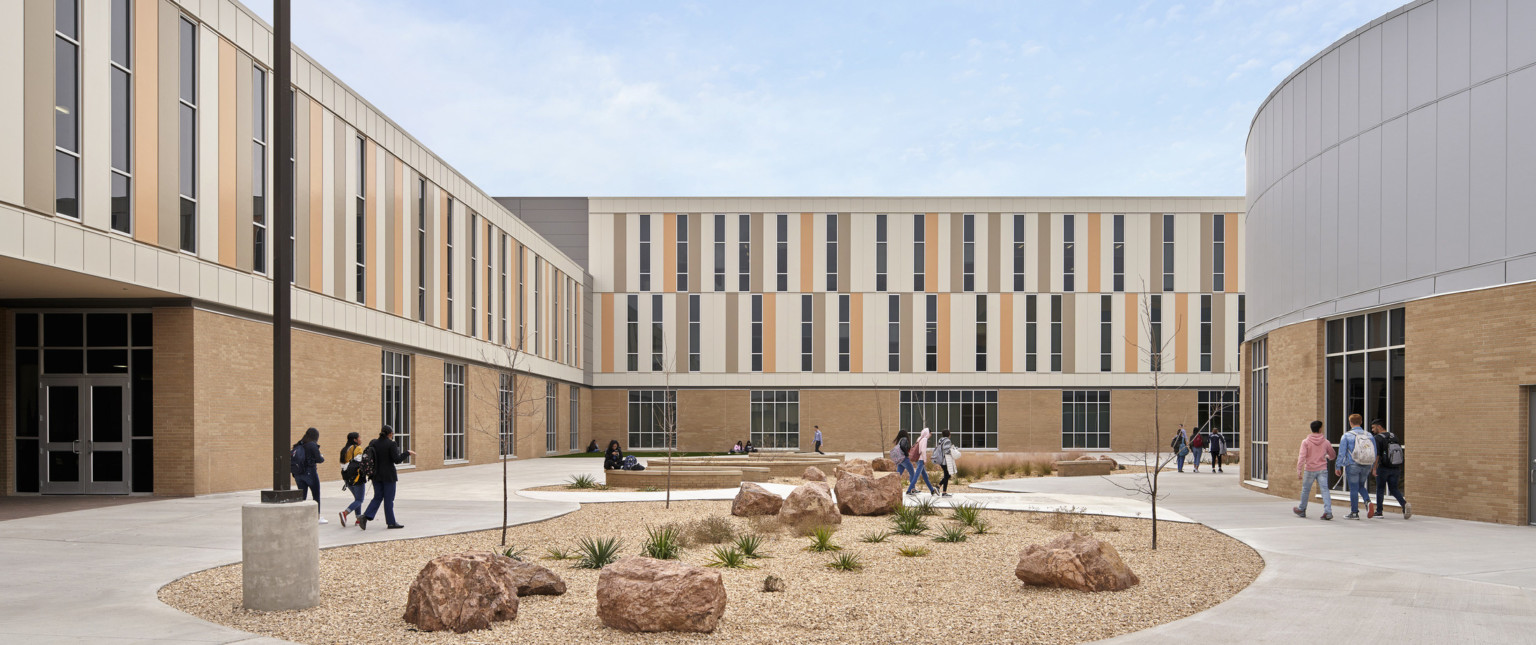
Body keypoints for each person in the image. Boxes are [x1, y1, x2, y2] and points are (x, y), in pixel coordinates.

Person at [358, 426, 414, 530]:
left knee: (378, 497)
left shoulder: (374, 443)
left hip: (375, 475)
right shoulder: (391, 444)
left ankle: (365, 516)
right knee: (389, 499)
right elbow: (396, 460)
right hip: (388, 476)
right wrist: (407, 453)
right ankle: (391, 523)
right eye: (392, 434)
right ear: (390, 434)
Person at [1336, 414, 1377, 520]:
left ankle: (1354, 513)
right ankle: (1367, 501)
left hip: (1353, 465)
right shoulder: (1369, 435)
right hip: (1366, 464)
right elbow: (1374, 451)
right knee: (1360, 486)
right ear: (1361, 422)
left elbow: (1342, 453)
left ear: (1350, 422)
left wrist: (1338, 466)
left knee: (1354, 488)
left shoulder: (1347, 435)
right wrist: (1372, 465)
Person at [1293, 420, 1336, 520]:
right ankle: (1328, 512)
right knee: (1325, 490)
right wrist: (1327, 456)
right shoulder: (1326, 442)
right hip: (1322, 469)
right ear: (1320, 429)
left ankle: (1302, 509)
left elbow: (1302, 456)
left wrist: (1299, 470)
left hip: (1309, 469)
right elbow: (1333, 455)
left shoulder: (1306, 442)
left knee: (1305, 490)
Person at [1370, 419, 1411, 519]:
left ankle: (1379, 512)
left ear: (1379, 427)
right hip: (1395, 467)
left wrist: (1374, 468)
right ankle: (1404, 504)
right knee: (1394, 489)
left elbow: (1377, 455)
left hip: (1383, 468)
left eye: (1373, 427)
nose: (1372, 430)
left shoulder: (1377, 438)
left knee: (1380, 489)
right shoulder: (1394, 436)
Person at [291, 427, 327, 524]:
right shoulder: (312, 445)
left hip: (298, 474)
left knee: (302, 496)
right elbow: (319, 459)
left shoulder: (298, 444)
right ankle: (317, 517)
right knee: (316, 495)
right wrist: (322, 457)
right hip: (310, 472)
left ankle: (300, 516)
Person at [338, 431, 368, 527]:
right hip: (357, 477)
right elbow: (360, 462)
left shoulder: (344, 450)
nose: (361, 439)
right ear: (355, 439)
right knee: (359, 499)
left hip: (347, 478)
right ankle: (345, 513)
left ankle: (358, 519)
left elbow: (343, 465)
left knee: (357, 499)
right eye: (359, 437)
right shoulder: (357, 448)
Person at [906, 427, 938, 496]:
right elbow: (923, 451)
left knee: (925, 476)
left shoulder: (919, 438)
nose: (930, 435)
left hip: (918, 459)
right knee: (916, 475)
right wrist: (925, 460)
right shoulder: (924, 439)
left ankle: (932, 490)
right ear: (927, 433)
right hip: (921, 459)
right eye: (930, 434)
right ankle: (909, 490)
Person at [934, 429, 956, 497]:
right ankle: (943, 492)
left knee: (947, 475)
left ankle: (939, 487)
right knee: (947, 475)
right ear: (949, 434)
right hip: (945, 461)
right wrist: (954, 450)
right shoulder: (947, 441)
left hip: (940, 460)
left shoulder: (940, 440)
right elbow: (946, 450)